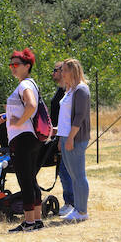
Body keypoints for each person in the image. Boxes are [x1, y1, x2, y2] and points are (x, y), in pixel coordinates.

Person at [0, 48, 44, 232]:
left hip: (22, 139)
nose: (13, 67)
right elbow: (27, 108)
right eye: (11, 65)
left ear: (27, 66)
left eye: (16, 64)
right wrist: (8, 116)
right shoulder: (31, 84)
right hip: (31, 138)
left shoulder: (24, 85)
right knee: (31, 179)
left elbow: (31, 105)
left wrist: (18, 121)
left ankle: (29, 222)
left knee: (25, 180)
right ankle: (36, 220)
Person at [57, 59, 91, 222]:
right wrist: (61, 137)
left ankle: (82, 212)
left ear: (73, 71)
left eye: (64, 70)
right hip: (66, 137)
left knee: (78, 175)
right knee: (73, 175)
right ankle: (77, 208)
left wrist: (70, 137)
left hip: (75, 138)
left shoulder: (81, 90)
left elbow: (79, 116)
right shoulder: (70, 90)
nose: (62, 73)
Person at [50, 61, 74, 215]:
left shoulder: (69, 91)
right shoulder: (61, 91)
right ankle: (70, 201)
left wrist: (61, 138)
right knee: (62, 169)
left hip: (64, 135)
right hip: (58, 135)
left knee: (66, 170)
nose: (53, 73)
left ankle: (71, 202)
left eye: (56, 70)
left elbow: (68, 118)